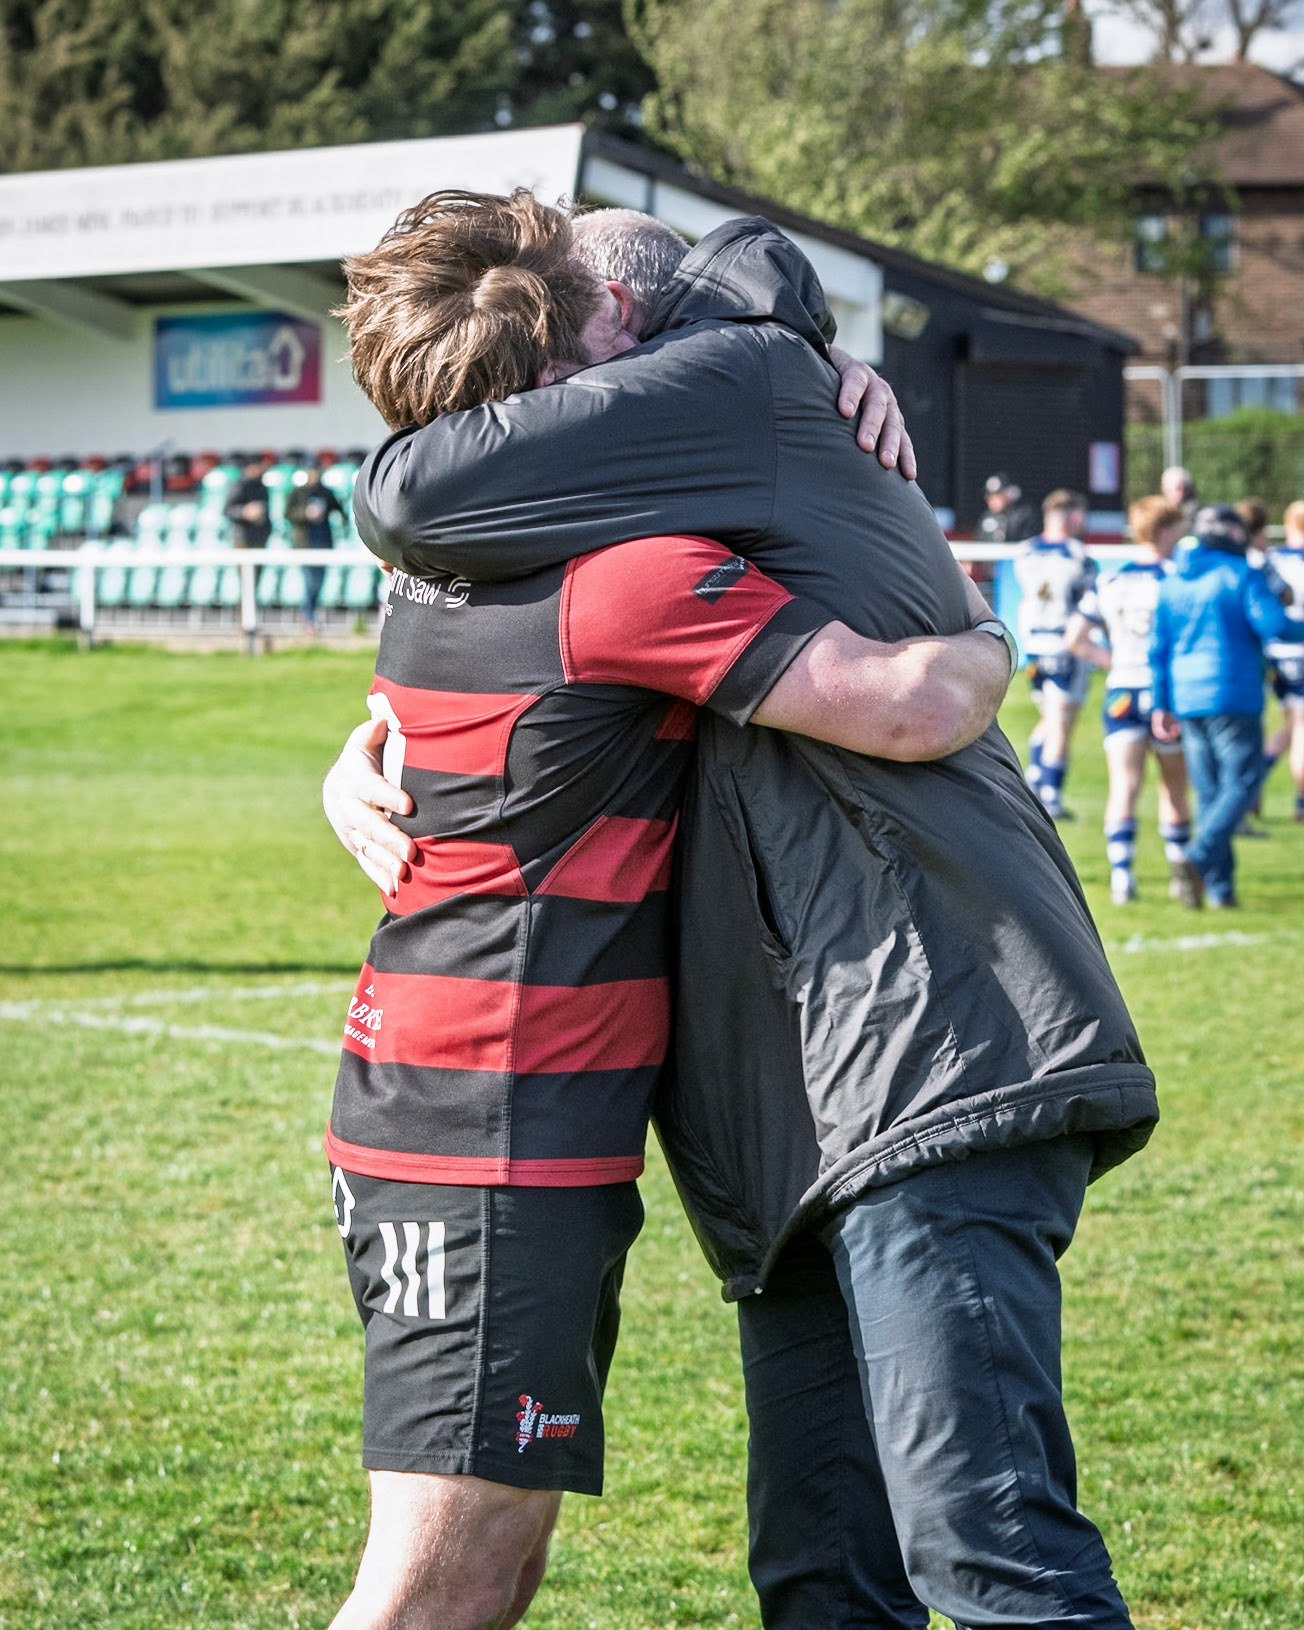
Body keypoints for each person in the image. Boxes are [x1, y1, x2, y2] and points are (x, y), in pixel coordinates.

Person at [330, 194, 1156, 1630]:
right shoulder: (629, 528)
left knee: (979, 1553)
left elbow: (416, 498)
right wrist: (987, 638)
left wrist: (973, 636)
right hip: (745, 1093)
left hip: (917, 1041)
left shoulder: (726, 407)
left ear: (627, 352)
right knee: (801, 1572)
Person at [1150, 504, 1291, 908]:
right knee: (1243, 784)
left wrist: (1162, 703)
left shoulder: (1173, 582)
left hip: (1186, 698)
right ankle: (1195, 858)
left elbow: (1158, 649)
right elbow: (1272, 624)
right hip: (1233, 693)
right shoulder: (1242, 573)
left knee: (1211, 791)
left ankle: (1219, 890)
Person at [1065, 495, 1192, 904]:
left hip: (1122, 690)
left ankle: (1122, 877)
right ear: (1166, 531)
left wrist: (1112, 661)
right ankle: (1179, 872)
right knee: (1173, 786)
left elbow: (1075, 638)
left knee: (1125, 784)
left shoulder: (1110, 579)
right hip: (1164, 694)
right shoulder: (1179, 578)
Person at [1012, 488, 1095, 819]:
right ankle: (1051, 798)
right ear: (1072, 515)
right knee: (1061, 723)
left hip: (1035, 646)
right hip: (1064, 644)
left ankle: (1032, 781)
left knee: (1049, 718)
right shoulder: (1078, 555)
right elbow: (1089, 598)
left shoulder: (1025, 552)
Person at [1261, 499, 1304, 821]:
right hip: (1300, 649)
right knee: (1301, 729)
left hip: (1274, 652)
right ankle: (1301, 802)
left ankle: (1253, 782)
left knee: (1291, 726)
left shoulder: (1271, 561)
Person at [284, 462, 345, 632]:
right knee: (309, 582)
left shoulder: (325, 492)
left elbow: (339, 510)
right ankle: (308, 616)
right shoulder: (297, 493)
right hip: (305, 544)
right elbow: (288, 513)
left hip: (323, 542)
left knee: (319, 582)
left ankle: (310, 615)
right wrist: (306, 514)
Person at [976, 470, 1038, 544]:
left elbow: (1028, 544)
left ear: (1010, 494)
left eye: (998, 494)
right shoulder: (987, 517)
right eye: (989, 495)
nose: (993, 500)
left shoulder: (1024, 515)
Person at [223, 456, 272, 549]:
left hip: (260, 536)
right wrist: (244, 512)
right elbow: (227, 510)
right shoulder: (239, 486)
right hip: (242, 537)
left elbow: (266, 509)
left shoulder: (262, 487)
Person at [1160, 463, 1198, 529]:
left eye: (1184, 488)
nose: (1181, 492)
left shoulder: (1193, 511)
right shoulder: (1161, 511)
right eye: (1177, 488)